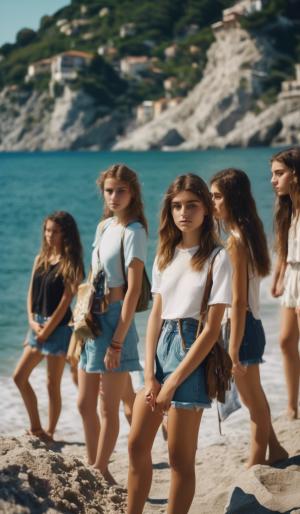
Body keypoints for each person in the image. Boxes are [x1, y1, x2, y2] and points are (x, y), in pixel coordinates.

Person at [127, 174, 232, 514]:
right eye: (176, 206)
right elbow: (156, 314)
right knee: (136, 445)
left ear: (206, 210)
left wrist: (173, 381)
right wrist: (150, 375)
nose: (183, 212)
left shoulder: (218, 257)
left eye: (191, 205)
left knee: (179, 459)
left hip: (193, 352)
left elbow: (213, 328)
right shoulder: (166, 254)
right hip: (160, 349)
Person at [211, 168, 288, 467]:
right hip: (248, 326)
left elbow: (239, 299)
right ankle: (276, 449)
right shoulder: (245, 232)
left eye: (217, 196)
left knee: (252, 401)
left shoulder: (235, 241)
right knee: (255, 394)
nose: (211, 202)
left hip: (241, 328)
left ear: (232, 199)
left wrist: (231, 348)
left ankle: (255, 465)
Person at [77, 164, 147, 484]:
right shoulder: (105, 226)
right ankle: (97, 463)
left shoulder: (134, 231)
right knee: (84, 402)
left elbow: (133, 291)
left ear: (132, 192)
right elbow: (93, 277)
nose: (114, 196)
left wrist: (117, 340)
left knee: (109, 407)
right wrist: (81, 320)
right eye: (109, 190)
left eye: (121, 190)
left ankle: (101, 470)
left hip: (116, 319)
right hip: (93, 319)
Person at [13, 211, 84, 441]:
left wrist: (48, 329)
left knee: (52, 384)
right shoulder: (40, 259)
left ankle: (50, 433)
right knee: (19, 376)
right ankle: (36, 427)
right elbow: (30, 294)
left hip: (59, 329)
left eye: (54, 231)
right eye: (47, 230)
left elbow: (66, 302)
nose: (49, 235)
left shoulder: (71, 263)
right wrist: (32, 321)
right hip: (37, 326)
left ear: (65, 234)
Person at [270, 147, 300, 420]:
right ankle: (292, 405)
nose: (273, 180)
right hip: (292, 277)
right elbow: (283, 248)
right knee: (285, 341)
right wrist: (278, 277)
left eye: (279, 173)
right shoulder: (288, 210)